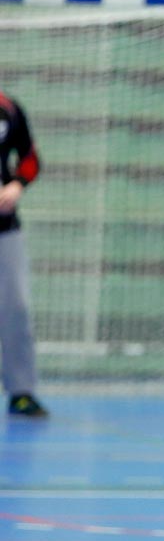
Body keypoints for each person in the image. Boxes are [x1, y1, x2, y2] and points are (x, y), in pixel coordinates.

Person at [0, 89, 47, 418]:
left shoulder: (9, 109)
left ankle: (21, 391)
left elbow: (30, 158)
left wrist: (16, 185)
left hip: (5, 230)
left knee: (16, 308)